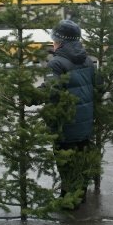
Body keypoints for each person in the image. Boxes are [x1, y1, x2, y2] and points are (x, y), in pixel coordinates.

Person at [44, 19, 95, 203]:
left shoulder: (56, 63)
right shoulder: (88, 59)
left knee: (65, 164)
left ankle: (68, 202)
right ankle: (80, 196)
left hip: (65, 124)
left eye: (54, 38)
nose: (53, 42)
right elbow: (98, 87)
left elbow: (52, 92)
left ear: (60, 41)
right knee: (81, 160)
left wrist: (32, 95)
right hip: (85, 124)